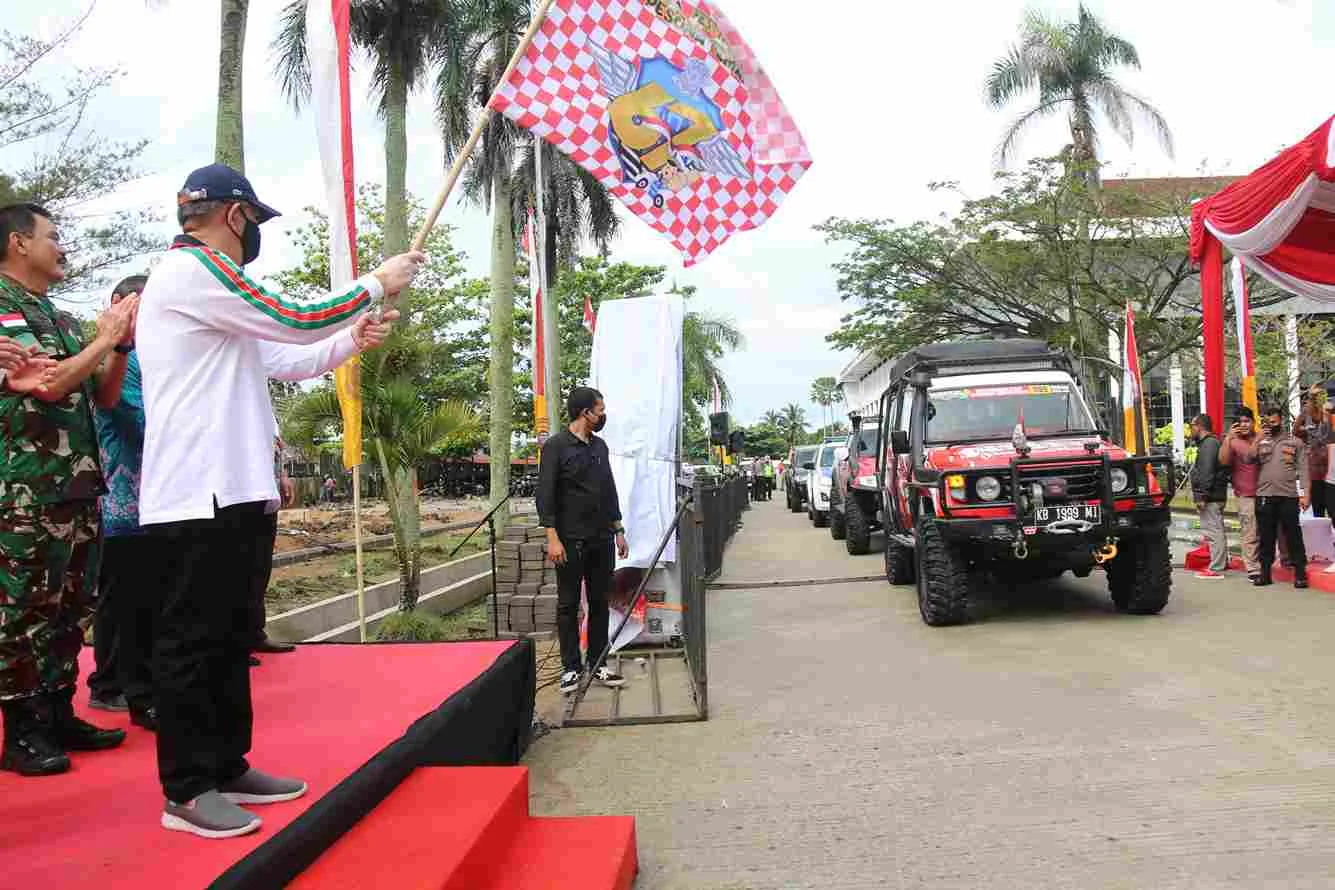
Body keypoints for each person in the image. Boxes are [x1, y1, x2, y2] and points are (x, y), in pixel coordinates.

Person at [136, 164, 421, 838]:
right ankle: (185, 788)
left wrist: (350, 339)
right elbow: (293, 320)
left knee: (232, 637)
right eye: (255, 222)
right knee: (190, 643)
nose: (254, 235)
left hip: (236, 489)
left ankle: (226, 763)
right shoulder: (192, 272)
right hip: (193, 493)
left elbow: (287, 356)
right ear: (235, 215)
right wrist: (374, 283)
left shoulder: (215, 293)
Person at [0, 202, 137, 776]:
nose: (63, 247)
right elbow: (50, 384)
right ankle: (22, 728)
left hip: (77, 484)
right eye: (53, 237)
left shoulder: (54, 312)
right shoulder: (6, 307)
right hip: (26, 490)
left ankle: (57, 710)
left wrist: (120, 344)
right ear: (17, 243)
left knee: (71, 605)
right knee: (25, 607)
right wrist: (102, 339)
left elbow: (100, 396)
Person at [85, 274, 161, 730]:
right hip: (121, 501)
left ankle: (132, 682)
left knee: (143, 599)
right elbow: (136, 421)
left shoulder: (150, 357)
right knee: (121, 601)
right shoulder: (118, 360)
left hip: (152, 500)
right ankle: (110, 684)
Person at [537, 386, 629, 696]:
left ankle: (599, 662)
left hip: (601, 538)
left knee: (601, 600)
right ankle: (570, 668)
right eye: (599, 410)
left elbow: (609, 490)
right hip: (569, 541)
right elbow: (545, 495)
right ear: (584, 412)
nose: (603, 415)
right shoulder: (555, 448)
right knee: (568, 604)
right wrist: (552, 537)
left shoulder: (600, 447)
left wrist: (618, 529)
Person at [1250, 406, 1311, 589]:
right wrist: (1258, 439)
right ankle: (1265, 574)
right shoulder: (1260, 440)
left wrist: (1305, 494)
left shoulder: (1295, 442)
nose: (1271, 425)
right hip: (1265, 495)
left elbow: (1303, 470)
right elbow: (1249, 458)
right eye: (1268, 422)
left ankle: (1300, 574)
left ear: (1281, 420)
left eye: (1274, 422)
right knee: (1266, 537)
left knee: (1293, 535)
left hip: (1288, 495)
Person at [1220, 407, 1261, 582]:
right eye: (1240, 422)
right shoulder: (1232, 440)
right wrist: (1229, 439)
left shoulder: (1261, 437)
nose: (1244, 425)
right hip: (1245, 494)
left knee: (1268, 530)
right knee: (1250, 531)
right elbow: (1223, 461)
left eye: (1247, 421)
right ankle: (1253, 568)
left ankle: (1273, 561)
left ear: (1253, 422)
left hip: (1266, 492)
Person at [1189, 413, 1229, 579]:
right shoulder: (1211, 443)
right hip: (1214, 493)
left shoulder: (1208, 445)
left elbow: (1206, 472)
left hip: (1211, 495)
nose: (1190, 430)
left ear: (1199, 426)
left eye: (1192, 426)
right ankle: (1221, 562)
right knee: (1216, 529)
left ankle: (1217, 567)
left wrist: (1201, 496)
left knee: (1213, 531)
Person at [1294, 384, 1332, 519]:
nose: (1317, 398)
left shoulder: (1328, 412)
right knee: (1317, 506)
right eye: (1314, 396)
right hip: (1313, 465)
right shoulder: (1305, 412)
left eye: (1321, 395)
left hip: (1329, 465)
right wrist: (1305, 430)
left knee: (1331, 504)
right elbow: (1295, 432)